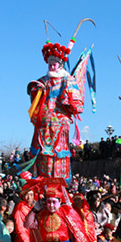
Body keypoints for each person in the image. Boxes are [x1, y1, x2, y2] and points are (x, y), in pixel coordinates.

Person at [26, 40, 83, 179]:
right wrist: (36, 90)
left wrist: (68, 99)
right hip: (44, 120)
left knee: (58, 150)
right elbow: (32, 92)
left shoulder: (68, 79)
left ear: (61, 64)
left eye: (54, 63)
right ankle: (41, 178)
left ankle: (58, 180)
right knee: (41, 150)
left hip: (60, 119)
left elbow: (77, 102)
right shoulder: (43, 80)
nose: (52, 65)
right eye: (50, 63)